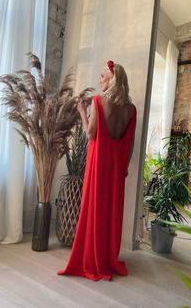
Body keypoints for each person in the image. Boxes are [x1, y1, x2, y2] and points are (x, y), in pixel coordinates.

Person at [57, 60, 137, 281]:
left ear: (113, 79)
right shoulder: (131, 109)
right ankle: (107, 257)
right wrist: (124, 169)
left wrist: (83, 111)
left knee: (94, 209)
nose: (100, 80)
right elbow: (129, 144)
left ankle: (93, 258)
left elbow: (91, 134)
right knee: (110, 211)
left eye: (103, 76)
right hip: (116, 169)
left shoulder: (99, 102)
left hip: (98, 164)